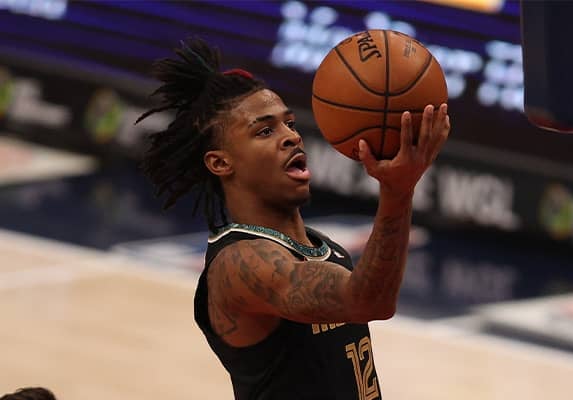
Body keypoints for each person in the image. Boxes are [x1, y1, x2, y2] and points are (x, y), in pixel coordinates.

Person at [137, 37, 449, 399]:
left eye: (289, 123)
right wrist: (398, 191)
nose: (291, 137)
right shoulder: (239, 265)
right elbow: (368, 301)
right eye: (265, 130)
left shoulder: (323, 247)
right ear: (220, 162)